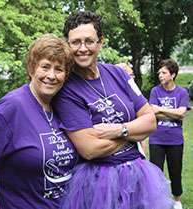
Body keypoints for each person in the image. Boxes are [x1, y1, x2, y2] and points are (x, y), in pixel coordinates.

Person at [53, 11, 173, 209]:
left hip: (139, 174)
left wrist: (120, 130)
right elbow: (90, 149)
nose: (82, 48)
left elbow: (150, 120)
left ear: (100, 43)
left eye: (89, 41)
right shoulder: (67, 89)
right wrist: (135, 133)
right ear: (67, 44)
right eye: (75, 42)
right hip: (99, 181)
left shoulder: (119, 73)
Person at [0, 34, 78, 209]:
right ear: (31, 68)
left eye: (58, 69)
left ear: (65, 75)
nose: (51, 75)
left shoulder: (63, 106)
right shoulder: (12, 107)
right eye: (45, 67)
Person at [149, 58, 190, 209]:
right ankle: (157, 200)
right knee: (155, 173)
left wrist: (160, 109)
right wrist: (173, 113)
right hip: (156, 139)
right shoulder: (155, 91)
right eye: (159, 72)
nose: (160, 75)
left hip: (175, 140)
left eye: (164, 73)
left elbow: (181, 113)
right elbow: (153, 113)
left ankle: (177, 199)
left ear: (172, 75)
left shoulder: (182, 92)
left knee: (175, 171)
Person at [115, 62, 147, 155]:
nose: (132, 78)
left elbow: (144, 124)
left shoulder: (135, 94)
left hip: (134, 147)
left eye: (132, 75)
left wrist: (143, 153)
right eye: (129, 75)